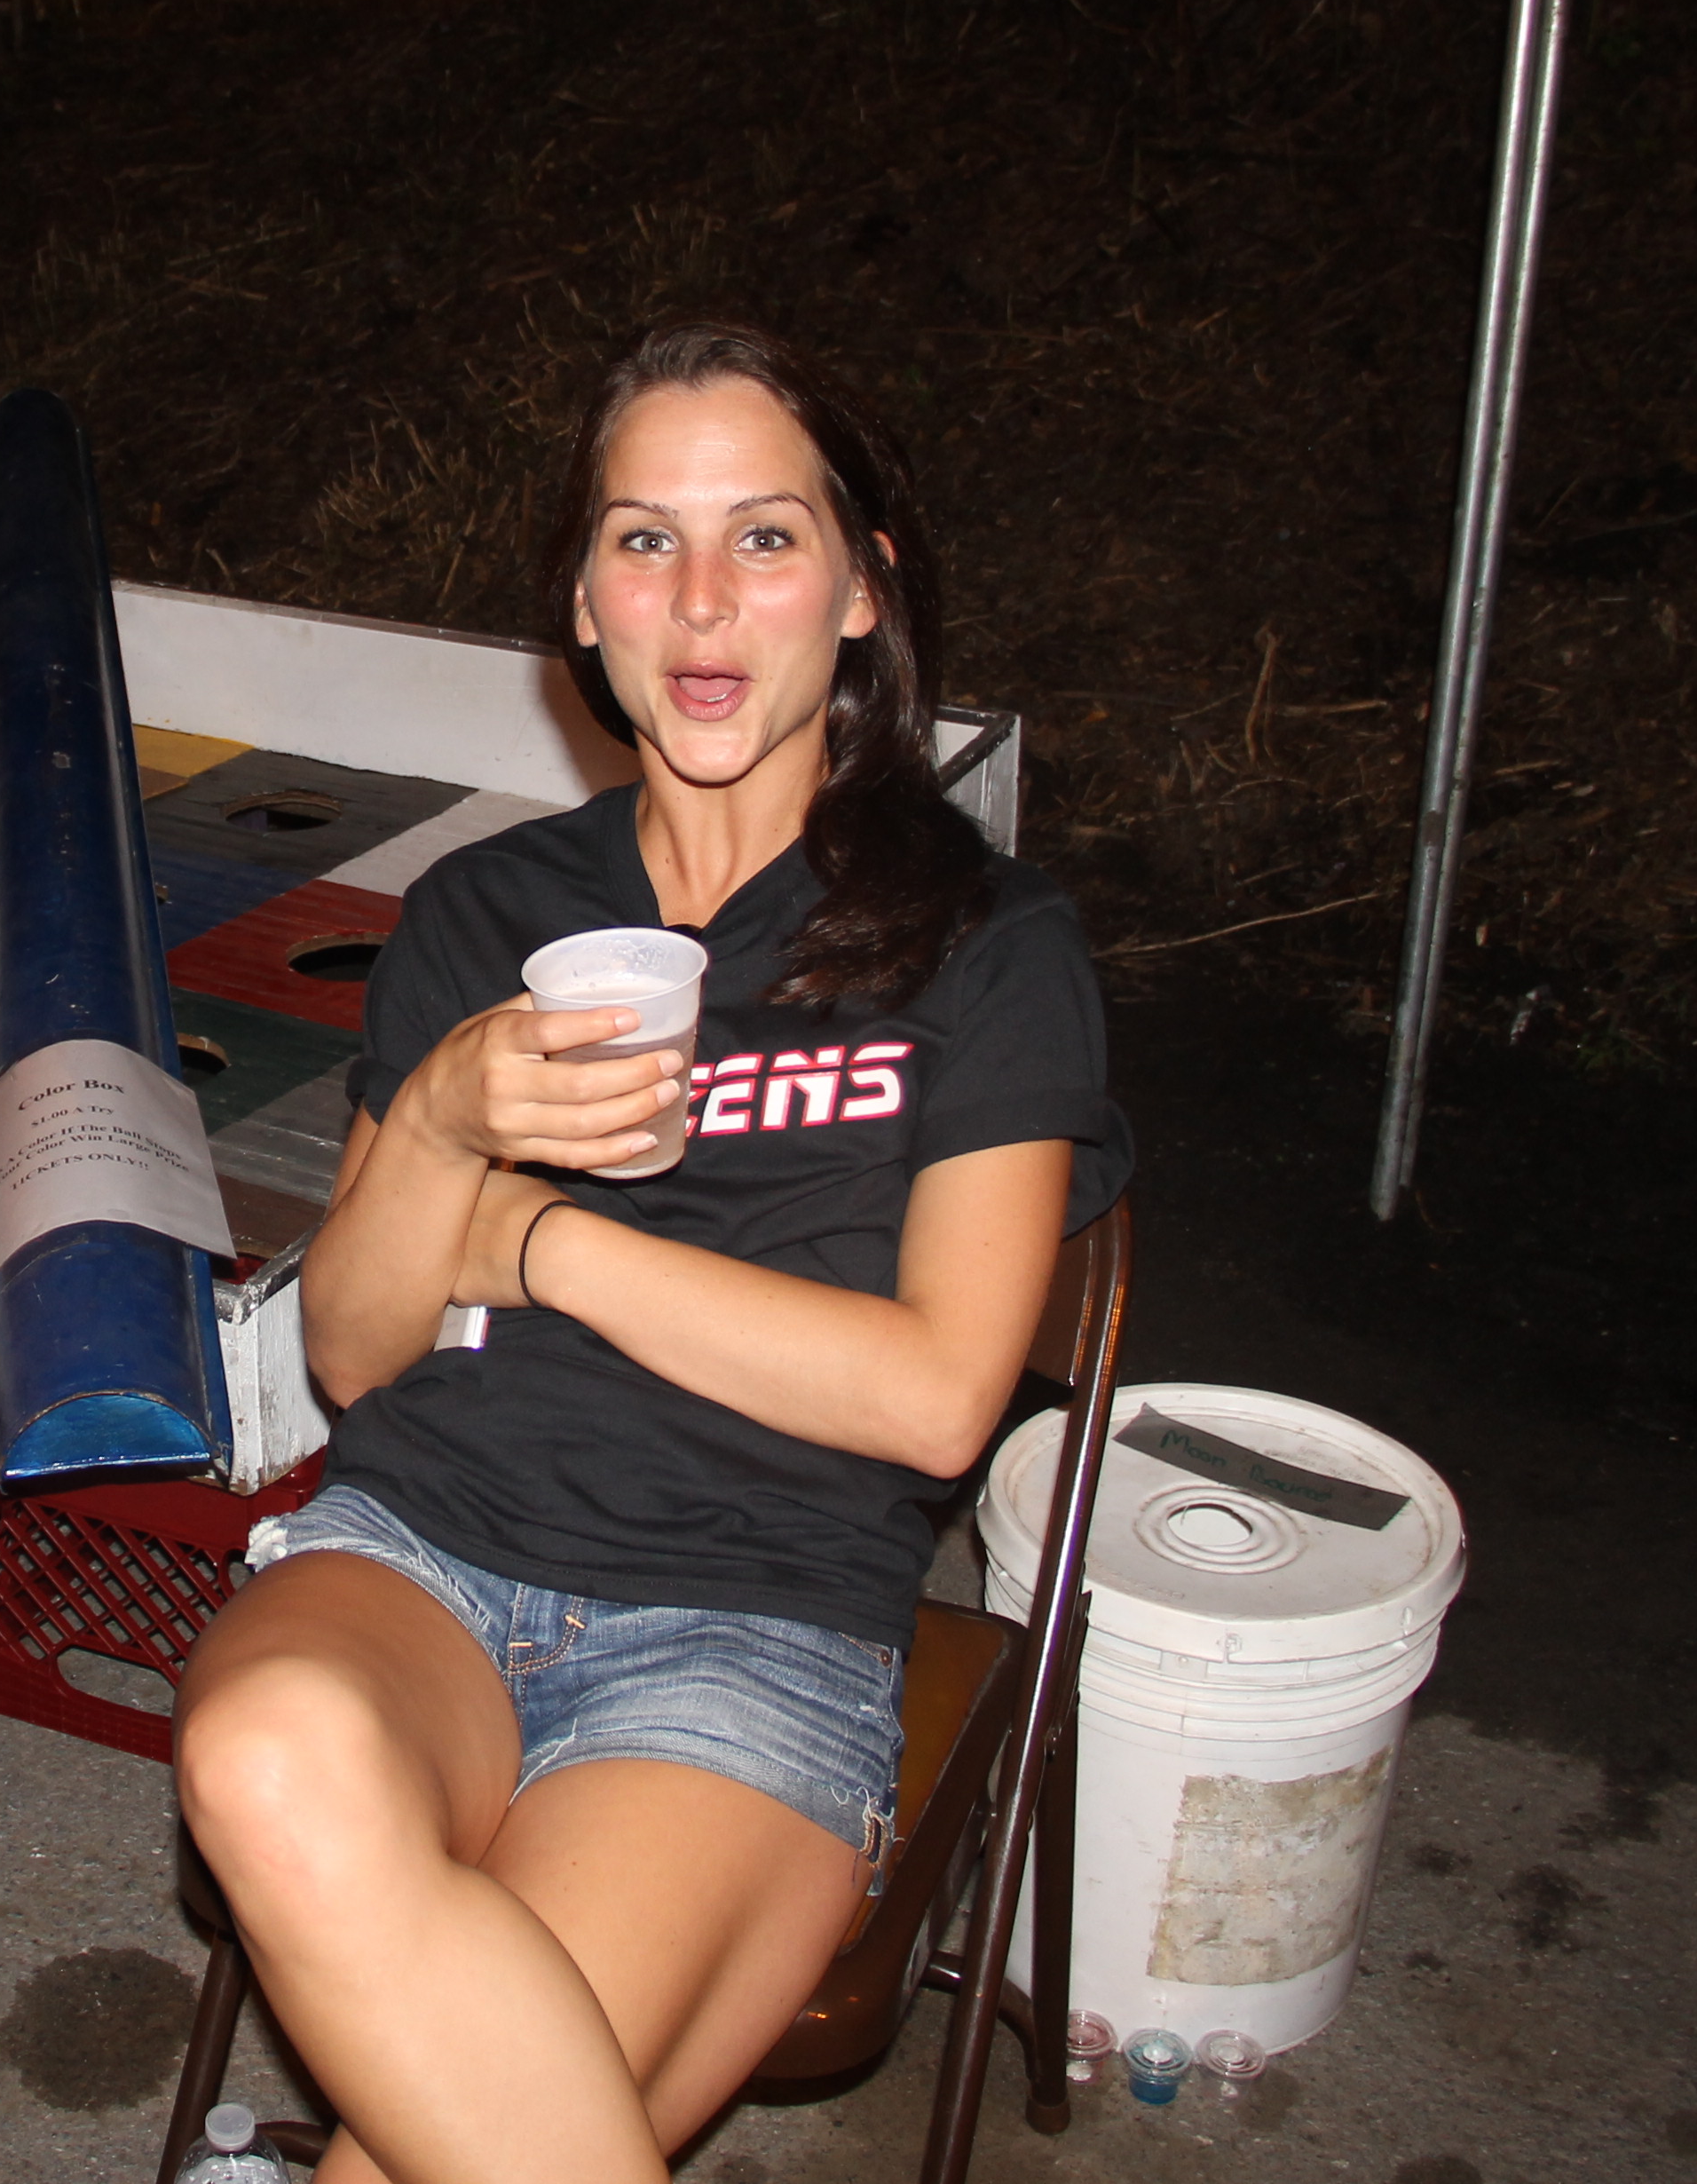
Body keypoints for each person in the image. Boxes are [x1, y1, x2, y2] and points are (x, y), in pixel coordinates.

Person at [170, 320, 1133, 2184]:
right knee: (267, 1750)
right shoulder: (485, 911)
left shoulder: (986, 941)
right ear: (582, 600)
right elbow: (353, 1352)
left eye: (765, 536)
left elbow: (939, 1399)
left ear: (863, 588)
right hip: (419, 1556)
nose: (700, 602)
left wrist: (535, 1238)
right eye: (643, 539)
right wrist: (438, 1118)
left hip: (754, 1619)